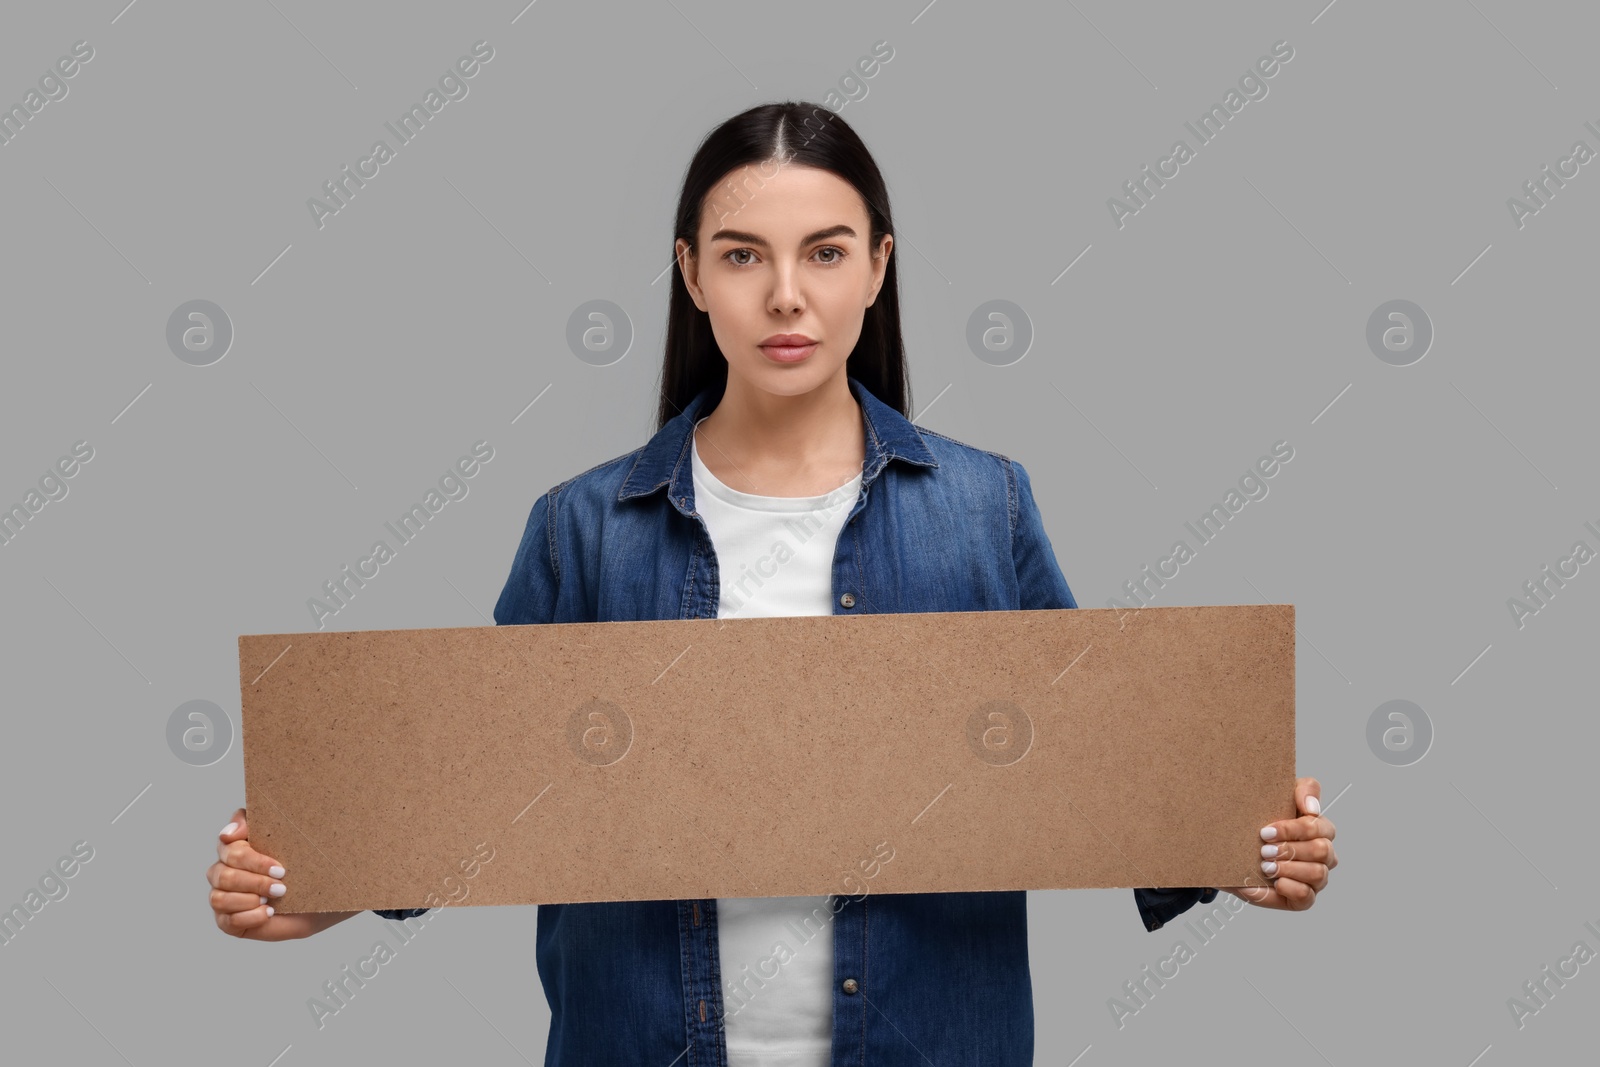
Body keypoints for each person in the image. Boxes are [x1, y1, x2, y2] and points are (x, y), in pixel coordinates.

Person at [207, 100, 1337, 1064]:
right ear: (693, 274)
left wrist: (1241, 850)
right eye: (743, 254)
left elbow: (1082, 768)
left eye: (826, 251)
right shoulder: (584, 526)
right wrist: (318, 883)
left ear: (879, 266)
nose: (785, 294)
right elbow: (486, 789)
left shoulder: (982, 505)